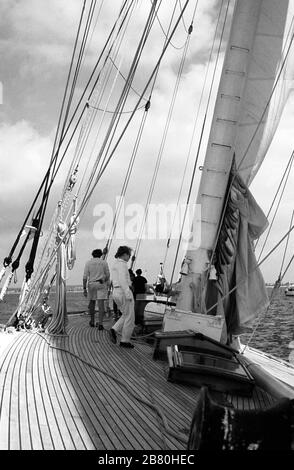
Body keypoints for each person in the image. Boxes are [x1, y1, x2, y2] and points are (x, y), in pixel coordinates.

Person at [108, 246, 135, 349]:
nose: (129, 257)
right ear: (124, 254)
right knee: (130, 317)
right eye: (129, 255)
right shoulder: (122, 265)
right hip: (123, 292)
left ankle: (114, 330)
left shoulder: (115, 264)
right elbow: (123, 279)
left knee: (125, 315)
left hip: (116, 291)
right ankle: (125, 341)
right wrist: (128, 293)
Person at [83, 249, 110, 330]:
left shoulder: (88, 263)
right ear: (101, 255)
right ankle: (101, 324)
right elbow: (108, 275)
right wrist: (103, 280)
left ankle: (92, 321)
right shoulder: (104, 262)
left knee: (92, 303)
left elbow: (85, 277)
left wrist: (84, 288)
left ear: (92, 255)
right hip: (101, 284)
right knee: (101, 305)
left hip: (92, 284)